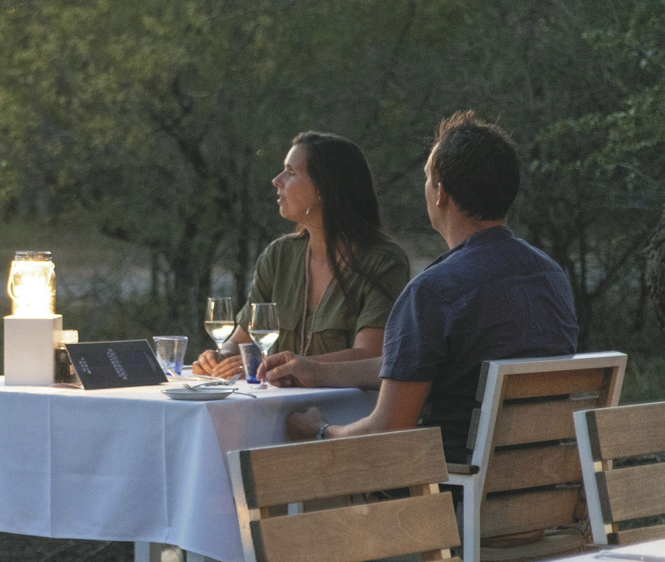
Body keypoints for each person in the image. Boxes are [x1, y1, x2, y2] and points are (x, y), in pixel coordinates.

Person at [271, 112, 578, 456]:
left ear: (440, 193)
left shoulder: (434, 292)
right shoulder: (550, 275)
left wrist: (320, 431)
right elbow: (408, 367)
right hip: (542, 474)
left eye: (427, 178)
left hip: (450, 479)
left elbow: (387, 432)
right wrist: (318, 371)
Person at [195, 132, 409, 378]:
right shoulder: (278, 256)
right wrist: (220, 357)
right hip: (276, 398)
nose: (276, 180)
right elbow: (241, 342)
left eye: (291, 172)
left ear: (323, 188)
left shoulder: (383, 262)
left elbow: (370, 356)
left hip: (345, 402)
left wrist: (282, 367)